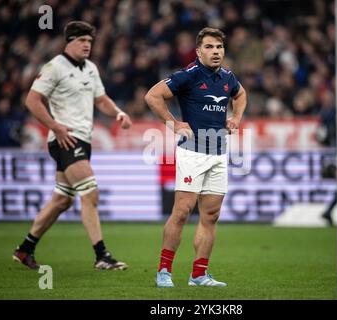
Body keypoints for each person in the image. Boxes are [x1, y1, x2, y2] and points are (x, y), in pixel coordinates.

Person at [12, 21, 132, 270]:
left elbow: (101, 100)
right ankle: (102, 255)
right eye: (82, 41)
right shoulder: (54, 66)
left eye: (90, 41)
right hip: (66, 139)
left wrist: (118, 113)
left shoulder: (90, 68)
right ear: (69, 42)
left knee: (62, 200)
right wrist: (55, 126)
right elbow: (32, 100)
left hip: (82, 140)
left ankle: (25, 249)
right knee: (90, 193)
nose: (87, 45)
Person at [145, 27, 247, 287]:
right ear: (199, 51)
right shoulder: (188, 76)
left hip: (218, 152)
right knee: (182, 211)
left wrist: (235, 118)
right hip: (192, 151)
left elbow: (241, 94)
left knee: (211, 215)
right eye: (210, 47)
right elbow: (153, 96)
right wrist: (173, 123)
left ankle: (199, 274)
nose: (216, 52)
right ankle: (164, 271)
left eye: (219, 47)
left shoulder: (227, 77)